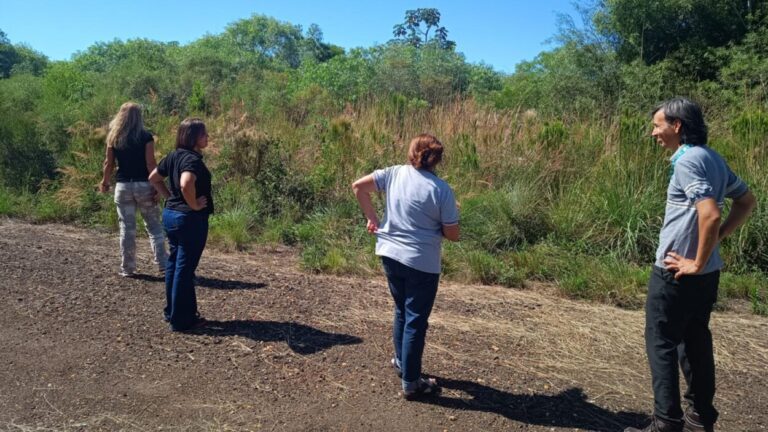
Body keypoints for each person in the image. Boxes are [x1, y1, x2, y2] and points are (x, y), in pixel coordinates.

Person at [626, 98, 756, 432]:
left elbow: (710, 213)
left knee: (661, 342)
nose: (654, 132)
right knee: (695, 340)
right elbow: (746, 201)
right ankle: (700, 418)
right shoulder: (712, 158)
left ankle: (666, 422)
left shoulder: (687, 160)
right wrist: (713, 245)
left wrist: (695, 261)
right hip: (706, 273)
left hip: (677, 272)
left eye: (658, 125)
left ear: (677, 126)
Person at [352, 133, 460, 399]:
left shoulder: (394, 174)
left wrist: (372, 219)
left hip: (390, 254)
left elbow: (358, 187)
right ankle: (411, 383)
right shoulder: (441, 190)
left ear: (412, 152)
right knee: (415, 320)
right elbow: (453, 235)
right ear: (437, 160)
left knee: (402, 310)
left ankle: (402, 364)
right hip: (421, 263)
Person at [148, 118, 213, 332]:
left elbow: (153, 177)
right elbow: (186, 183)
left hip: (171, 216)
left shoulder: (173, 156)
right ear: (194, 137)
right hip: (189, 220)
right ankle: (181, 320)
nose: (207, 138)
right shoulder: (191, 160)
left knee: (174, 265)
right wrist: (193, 204)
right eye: (204, 134)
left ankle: (173, 313)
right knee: (184, 270)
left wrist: (169, 196)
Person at [100, 102, 167, 277]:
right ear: (139, 117)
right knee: (153, 226)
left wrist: (105, 182)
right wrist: (157, 186)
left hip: (123, 187)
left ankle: (127, 268)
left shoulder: (114, 137)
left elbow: (109, 164)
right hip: (144, 184)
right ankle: (163, 264)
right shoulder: (146, 137)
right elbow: (150, 164)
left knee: (127, 229)